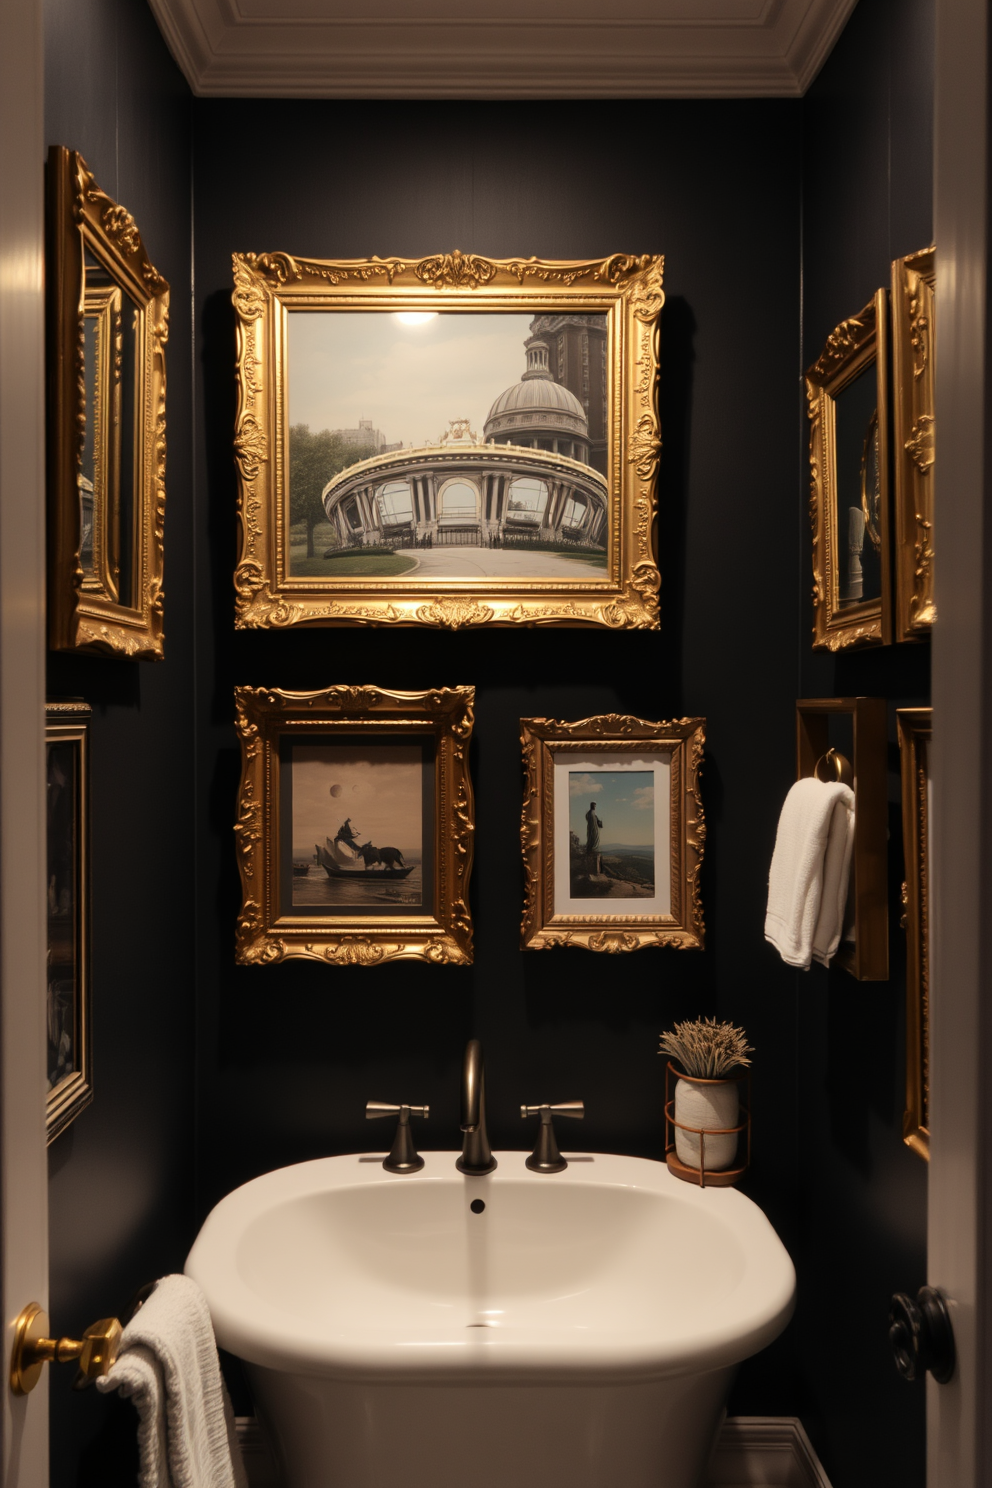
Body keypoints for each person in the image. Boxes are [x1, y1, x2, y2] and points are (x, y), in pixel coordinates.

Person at [585, 801, 603, 876]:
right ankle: (592, 847)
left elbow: (595, 819)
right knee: (592, 838)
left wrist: (598, 821)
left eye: (595, 806)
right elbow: (589, 819)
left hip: (594, 829)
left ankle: (593, 847)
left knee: (594, 838)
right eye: (593, 806)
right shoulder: (590, 813)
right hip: (592, 829)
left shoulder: (592, 813)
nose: (594, 807)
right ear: (591, 806)